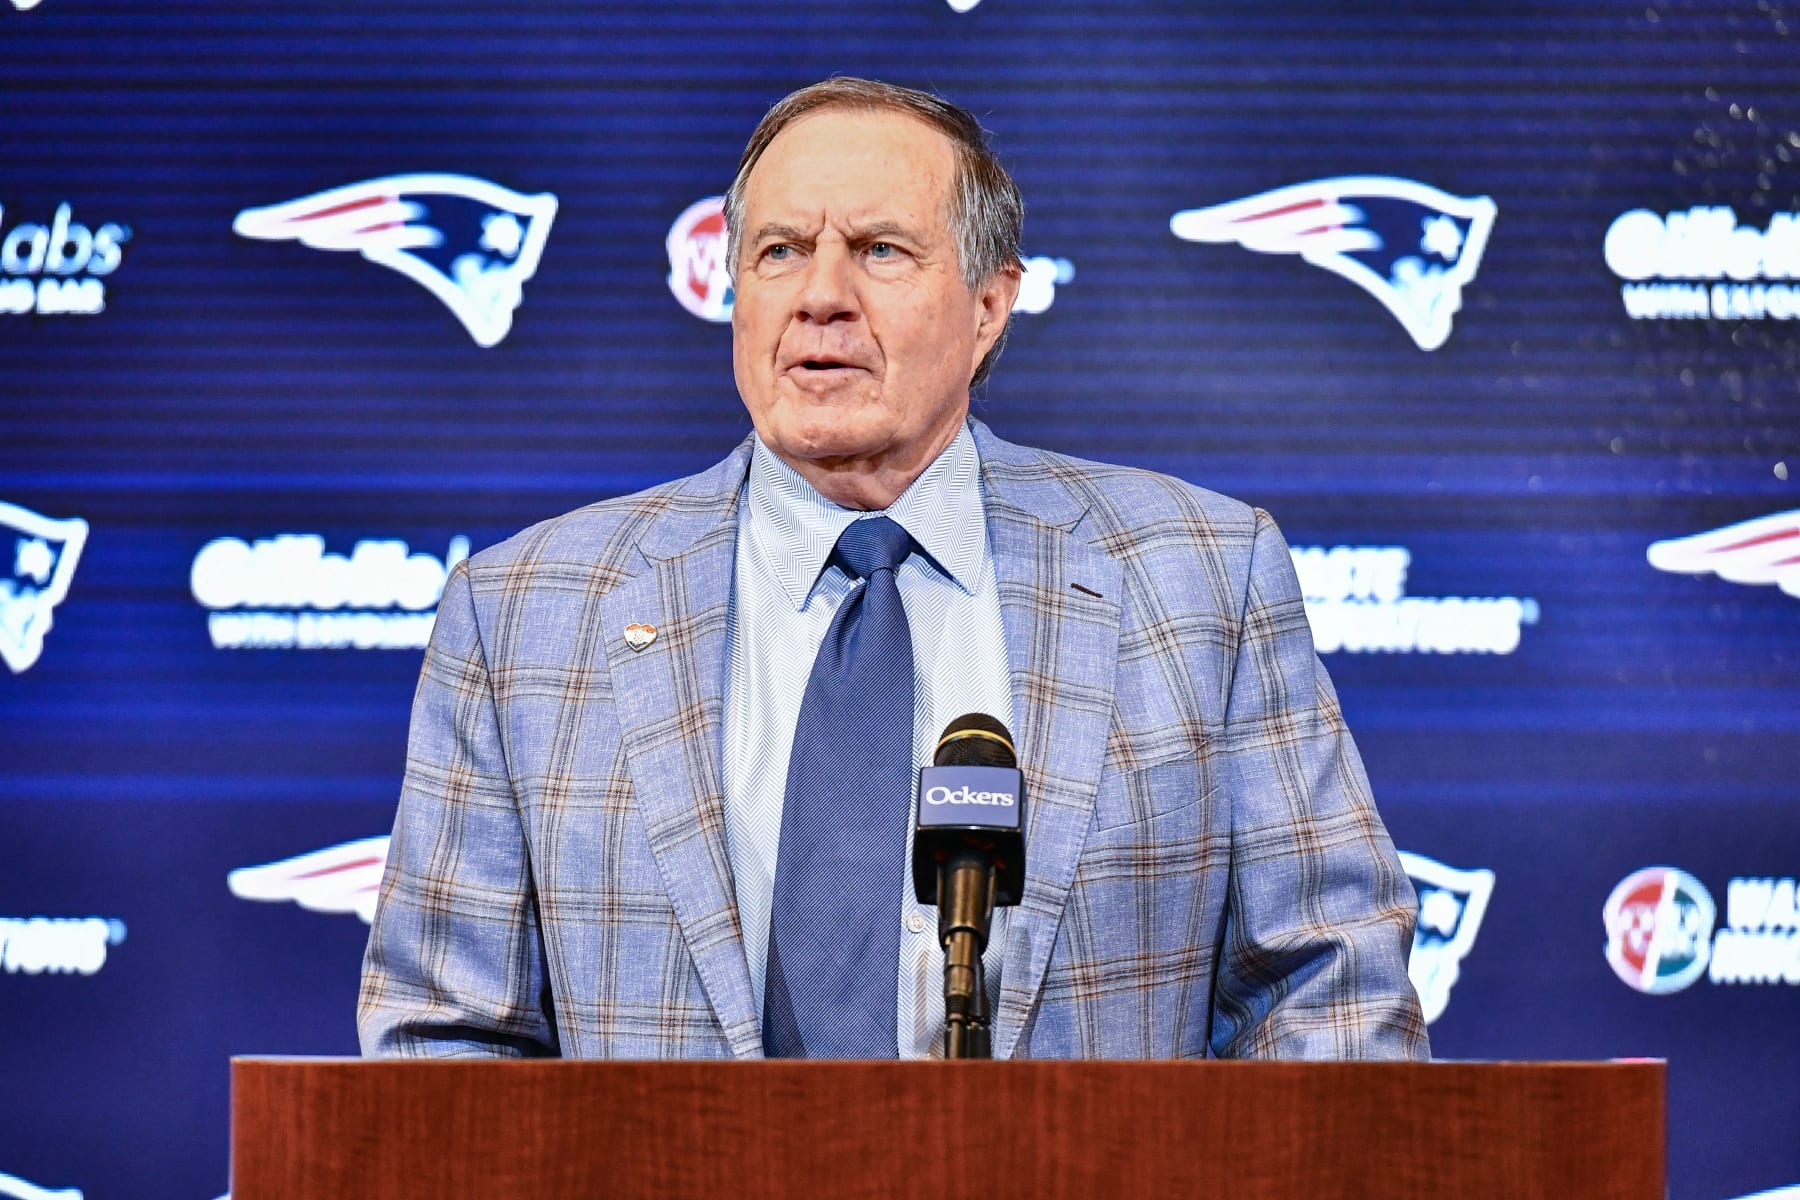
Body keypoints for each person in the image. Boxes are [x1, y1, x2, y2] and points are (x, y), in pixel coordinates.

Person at [358, 76, 1428, 1061]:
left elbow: (1330, 992)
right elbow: (445, 1040)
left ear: (990, 305)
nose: (819, 296)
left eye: (878, 250)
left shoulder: (1199, 579)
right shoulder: (525, 615)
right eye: (779, 251)